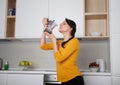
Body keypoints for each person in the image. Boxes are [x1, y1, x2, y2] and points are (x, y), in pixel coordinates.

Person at [40, 17, 84, 85]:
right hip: (64, 80)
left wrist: (53, 39)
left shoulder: (74, 41)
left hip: (74, 79)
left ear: (71, 28)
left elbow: (59, 58)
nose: (60, 24)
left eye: (64, 23)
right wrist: (45, 27)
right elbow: (43, 46)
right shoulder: (60, 42)